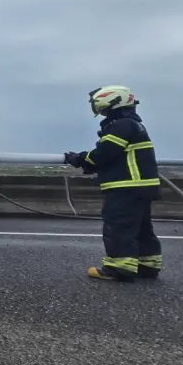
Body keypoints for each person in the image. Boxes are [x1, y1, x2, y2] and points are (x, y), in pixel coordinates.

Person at [64, 85, 162, 281]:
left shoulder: (121, 126)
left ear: (114, 103)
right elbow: (115, 155)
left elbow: (105, 153)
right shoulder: (133, 125)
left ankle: (119, 267)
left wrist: (80, 159)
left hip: (125, 188)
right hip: (141, 188)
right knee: (141, 228)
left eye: (102, 109)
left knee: (118, 226)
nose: (101, 113)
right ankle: (147, 264)